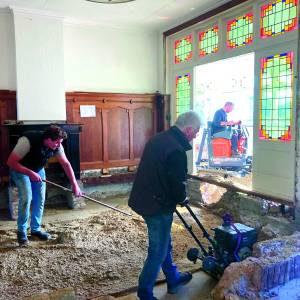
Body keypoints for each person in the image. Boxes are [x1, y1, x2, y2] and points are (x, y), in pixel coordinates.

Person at [129, 111, 201, 300]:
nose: (196, 136)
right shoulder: (176, 150)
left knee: (164, 243)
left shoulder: (159, 139)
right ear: (188, 130)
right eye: (196, 132)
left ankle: (173, 278)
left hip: (144, 198)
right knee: (158, 251)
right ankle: (144, 293)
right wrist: (182, 198)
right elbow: (177, 183)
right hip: (157, 205)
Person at [7, 124, 83, 246]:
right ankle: (21, 232)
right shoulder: (27, 141)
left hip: (38, 169)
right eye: (57, 142)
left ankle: (35, 230)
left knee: (40, 198)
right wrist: (29, 172)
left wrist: (75, 184)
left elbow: (66, 164)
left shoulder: (57, 145)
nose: (59, 145)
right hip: (20, 169)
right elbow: (11, 162)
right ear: (47, 139)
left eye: (61, 142)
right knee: (27, 198)